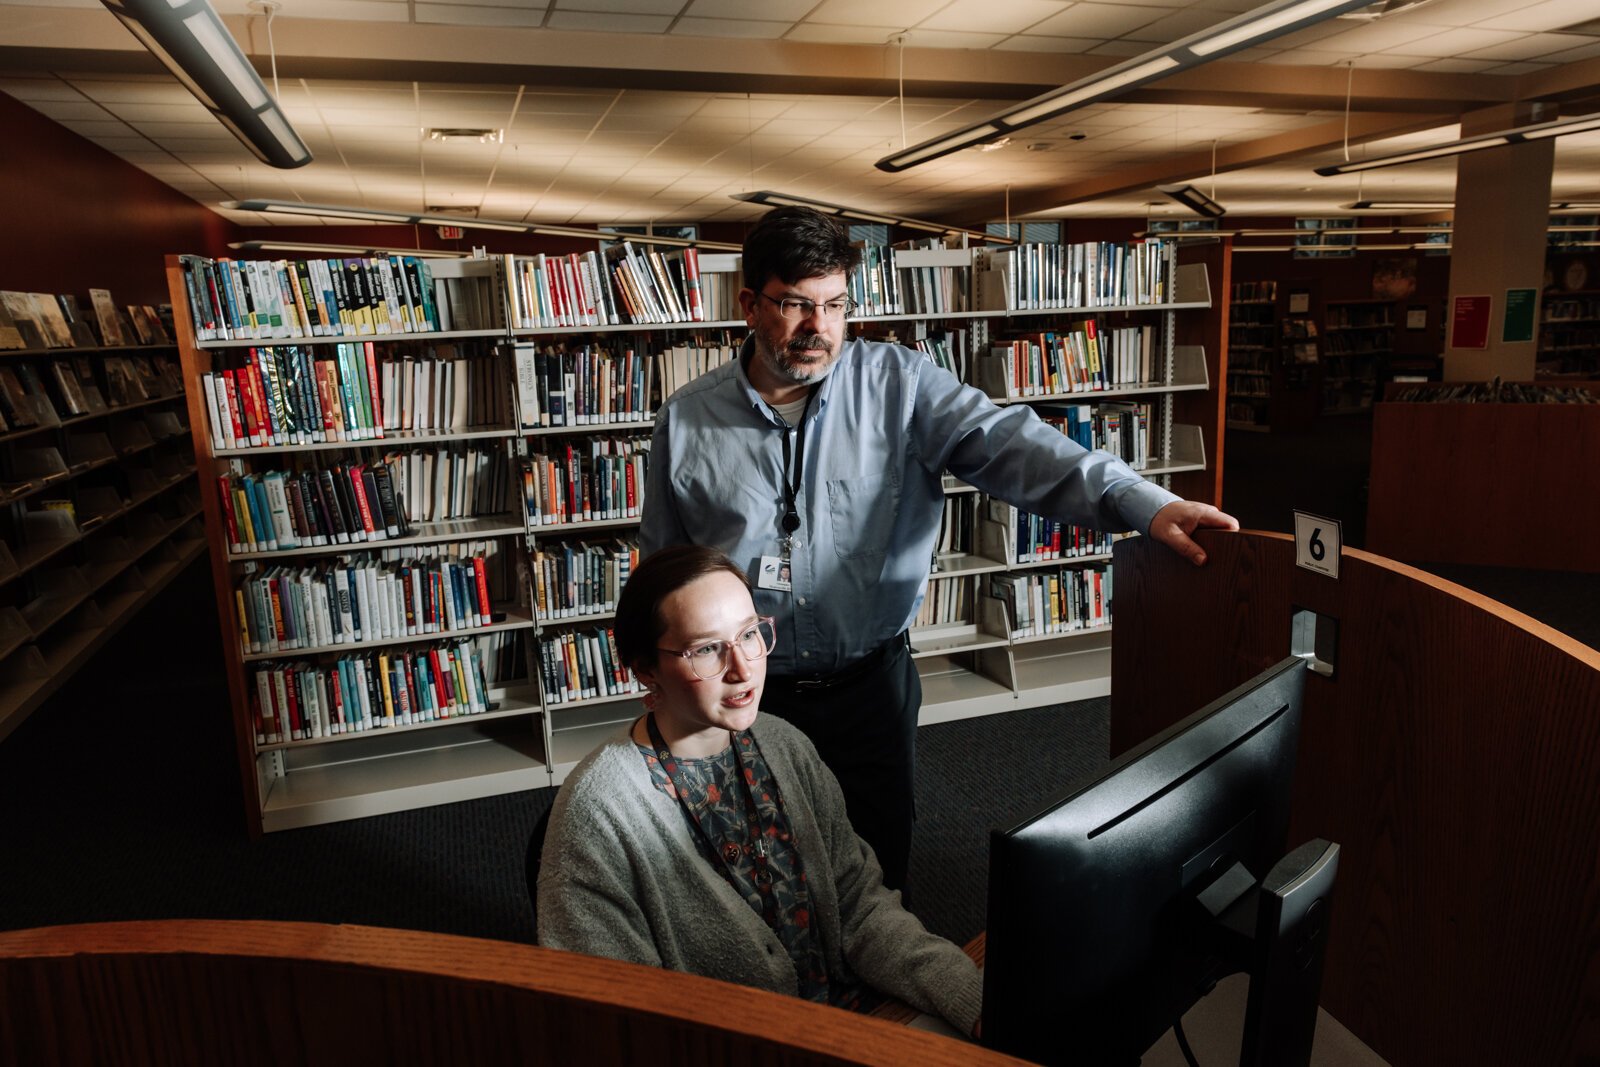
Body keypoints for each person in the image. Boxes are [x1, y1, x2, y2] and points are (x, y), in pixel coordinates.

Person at [639, 205, 1238, 893]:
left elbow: (1013, 443)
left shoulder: (900, 384)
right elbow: (663, 573)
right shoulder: (685, 420)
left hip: (870, 690)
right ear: (749, 303)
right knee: (749, 872)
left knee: (879, 868)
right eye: (797, 305)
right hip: (746, 695)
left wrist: (1142, 502)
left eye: (835, 305)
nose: (819, 328)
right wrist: (665, 691)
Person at [536, 545, 983, 1035]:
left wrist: (975, 999)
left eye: (749, 634)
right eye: (706, 649)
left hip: (848, 1024)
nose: (743, 669)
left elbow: (859, 908)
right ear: (645, 669)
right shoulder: (596, 811)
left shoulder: (782, 743)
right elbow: (616, 1019)